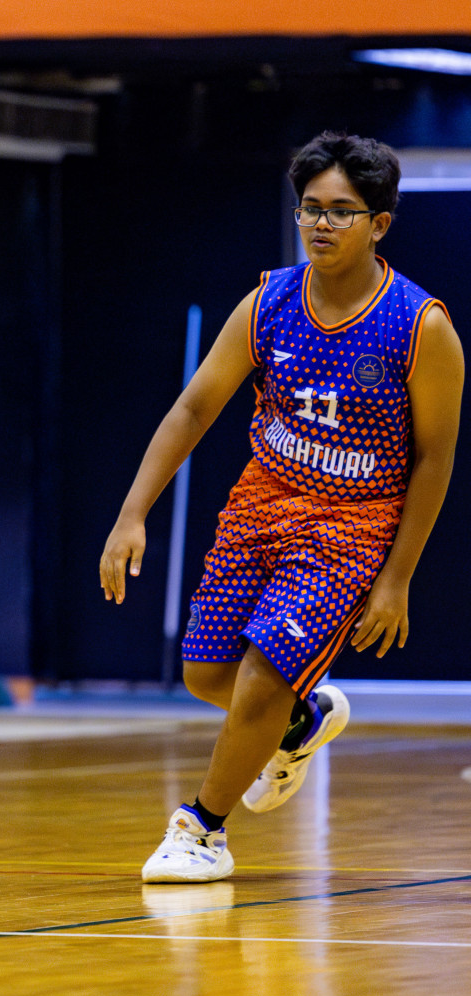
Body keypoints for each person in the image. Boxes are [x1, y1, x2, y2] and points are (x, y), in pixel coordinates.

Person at [99, 132, 463, 883]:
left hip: (350, 530)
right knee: (207, 674)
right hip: (260, 508)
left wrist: (396, 580)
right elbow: (196, 407)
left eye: (341, 212)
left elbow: (434, 459)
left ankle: (201, 828)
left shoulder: (420, 325)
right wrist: (132, 512)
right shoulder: (267, 301)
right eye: (310, 209)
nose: (321, 224)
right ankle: (305, 718)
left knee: (264, 676)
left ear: (380, 224)